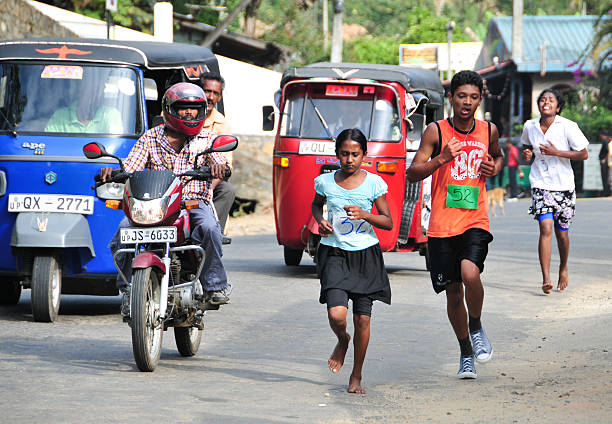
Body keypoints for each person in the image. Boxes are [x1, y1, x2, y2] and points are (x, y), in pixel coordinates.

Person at [102, 82, 232, 315]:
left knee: (211, 229)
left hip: (192, 203)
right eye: (183, 108)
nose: (190, 113)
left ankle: (214, 286)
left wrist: (219, 168)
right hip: (155, 205)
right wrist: (113, 172)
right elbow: (131, 166)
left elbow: (218, 160)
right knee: (122, 233)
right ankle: (128, 290)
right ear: (170, 109)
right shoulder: (150, 138)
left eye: (195, 108)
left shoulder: (207, 138)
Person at [407, 70, 504, 379]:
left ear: (480, 100)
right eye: (462, 96)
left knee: (469, 272)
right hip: (441, 225)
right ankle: (465, 353)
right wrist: (441, 159)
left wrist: (494, 166)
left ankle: (475, 324)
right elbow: (413, 172)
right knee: (452, 292)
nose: (467, 102)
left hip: (474, 217)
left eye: (473, 97)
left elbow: (499, 157)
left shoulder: (489, 130)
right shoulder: (436, 131)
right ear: (452, 98)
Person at [311, 128, 393, 394]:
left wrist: (365, 214)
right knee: (337, 315)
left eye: (355, 154)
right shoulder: (325, 182)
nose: (349, 159)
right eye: (344, 154)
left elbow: (388, 222)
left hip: (365, 256)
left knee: (363, 320)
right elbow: (316, 205)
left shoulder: (374, 184)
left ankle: (356, 376)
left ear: (363, 155)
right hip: (334, 252)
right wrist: (320, 220)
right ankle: (342, 339)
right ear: (337, 154)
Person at [521, 88, 589, 294]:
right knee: (546, 229)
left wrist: (556, 152)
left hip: (565, 186)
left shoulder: (568, 126)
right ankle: (546, 279)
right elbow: (526, 146)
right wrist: (526, 154)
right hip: (540, 184)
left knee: (562, 234)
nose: (545, 102)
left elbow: (584, 154)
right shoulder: (530, 126)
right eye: (542, 99)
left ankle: (563, 267)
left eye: (550, 100)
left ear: (557, 107)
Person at [198, 72, 236, 234]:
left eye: (215, 93)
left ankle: (213, 234)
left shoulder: (222, 124)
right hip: (175, 178)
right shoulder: (177, 113)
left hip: (205, 180)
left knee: (227, 191)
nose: (210, 97)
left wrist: (207, 191)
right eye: (207, 91)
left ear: (220, 97)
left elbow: (224, 165)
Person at [45, 70, 123, 134]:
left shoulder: (111, 114)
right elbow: (50, 145)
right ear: (80, 90)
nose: (94, 95)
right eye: (89, 88)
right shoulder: (60, 116)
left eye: (98, 90)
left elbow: (115, 145)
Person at [598, 130, 610, 196]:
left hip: (605, 162)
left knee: (605, 177)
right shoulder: (608, 141)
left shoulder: (606, 141)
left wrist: (604, 159)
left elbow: (608, 151)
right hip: (607, 161)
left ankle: (606, 192)